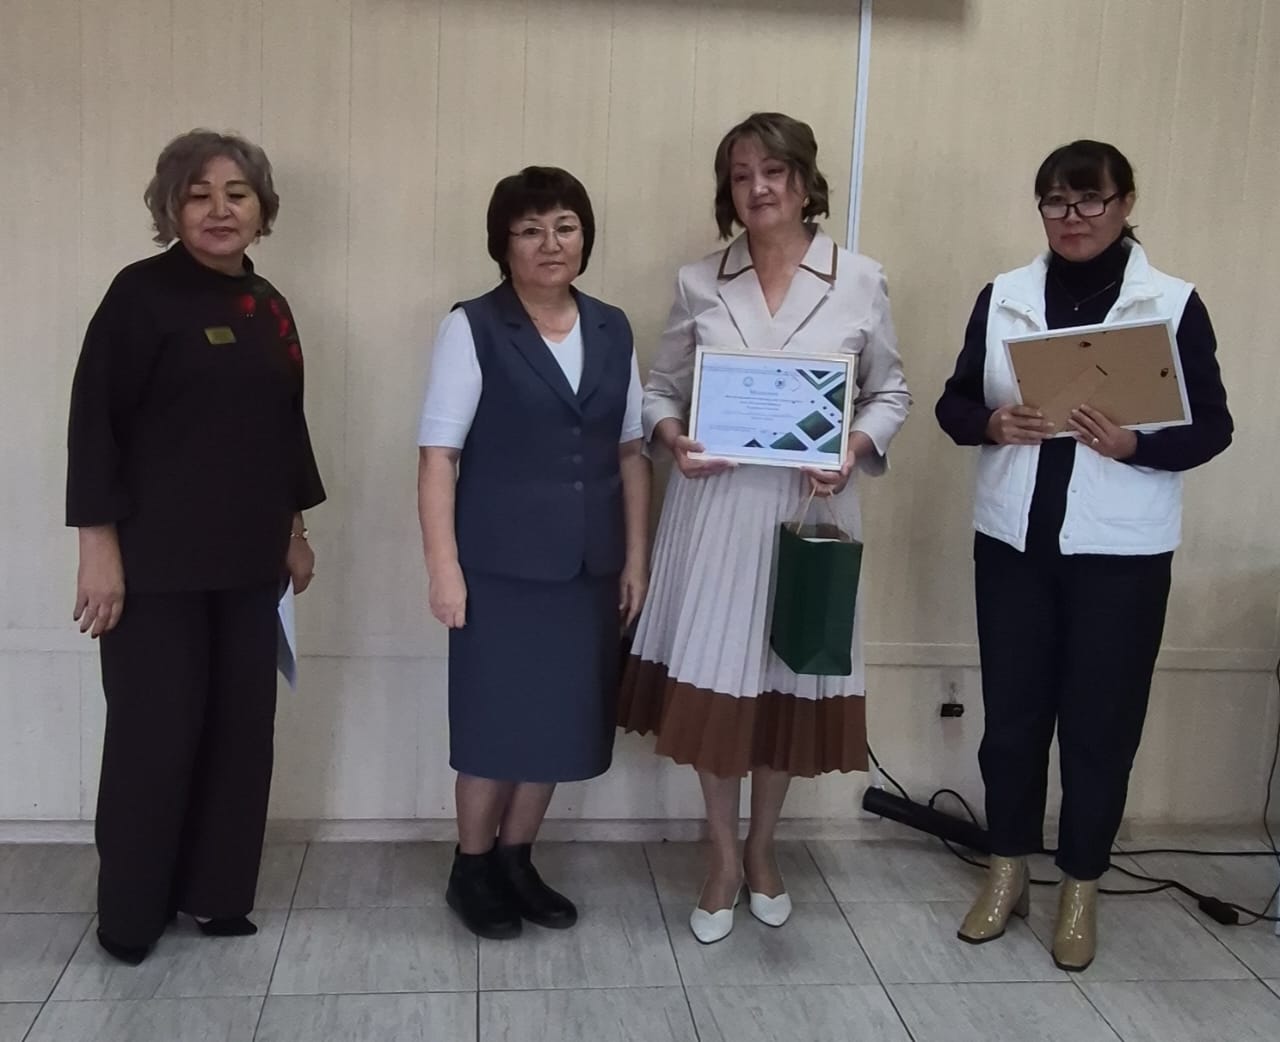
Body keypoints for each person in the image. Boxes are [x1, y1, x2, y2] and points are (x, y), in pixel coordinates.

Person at [936, 139, 1232, 971]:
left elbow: (1213, 426)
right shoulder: (1005, 295)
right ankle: (1006, 871)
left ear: (1126, 203)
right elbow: (954, 404)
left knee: (1101, 726)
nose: (1072, 218)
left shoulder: (1171, 304)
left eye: (1090, 200)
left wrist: (1138, 445)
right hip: (1015, 544)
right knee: (1013, 721)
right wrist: (992, 423)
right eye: (1056, 202)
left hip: (1121, 555)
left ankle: (1080, 887)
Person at [619, 112, 911, 944]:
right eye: (741, 175)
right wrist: (672, 436)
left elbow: (890, 392)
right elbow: (658, 389)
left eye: (774, 172)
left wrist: (853, 449)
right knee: (719, 689)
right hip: (716, 513)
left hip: (809, 512)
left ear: (804, 181)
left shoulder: (859, 279)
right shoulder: (700, 282)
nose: (758, 188)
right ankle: (719, 858)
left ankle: (761, 850)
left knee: (785, 684)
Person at [66, 130, 326, 965]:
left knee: (241, 731)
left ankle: (216, 895)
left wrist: (295, 530)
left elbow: (285, 426)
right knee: (156, 735)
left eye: (237, 193)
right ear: (171, 207)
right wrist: (98, 549)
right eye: (199, 194)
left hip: (250, 561)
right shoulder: (140, 296)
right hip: (156, 566)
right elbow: (94, 427)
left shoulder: (269, 305)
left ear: (261, 208)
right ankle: (132, 912)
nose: (220, 209)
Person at [418, 167, 650, 940]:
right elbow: (439, 457)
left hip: (589, 569)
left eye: (565, 226)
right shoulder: (473, 327)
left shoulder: (613, 328)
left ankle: (518, 860)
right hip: (498, 570)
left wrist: (636, 559)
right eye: (529, 230)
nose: (551, 244)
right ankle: (472, 867)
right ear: (504, 244)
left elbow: (630, 452)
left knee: (558, 723)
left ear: (585, 236)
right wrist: (444, 570)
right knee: (494, 726)